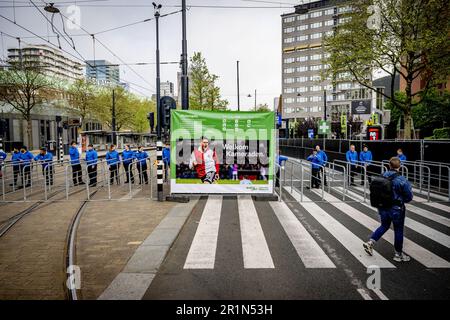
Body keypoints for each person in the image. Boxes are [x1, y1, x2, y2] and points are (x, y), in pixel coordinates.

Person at [363, 157, 413, 262]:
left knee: (384, 225)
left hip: (382, 207)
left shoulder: (382, 175)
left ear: (389, 165)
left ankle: (370, 242)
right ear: (399, 166)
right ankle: (398, 254)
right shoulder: (401, 179)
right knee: (398, 230)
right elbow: (409, 197)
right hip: (396, 209)